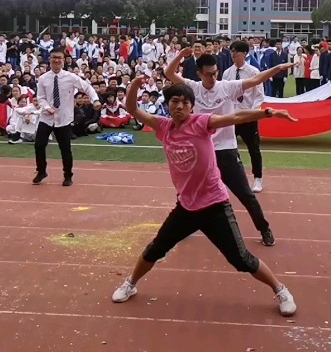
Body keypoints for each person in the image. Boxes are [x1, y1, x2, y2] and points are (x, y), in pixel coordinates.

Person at [111, 76, 297, 316]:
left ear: (192, 106)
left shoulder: (202, 123)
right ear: (168, 105)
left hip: (215, 207)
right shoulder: (164, 127)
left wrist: (268, 113)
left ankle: (281, 290)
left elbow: (236, 117)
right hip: (186, 208)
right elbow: (132, 108)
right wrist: (135, 84)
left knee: (242, 260)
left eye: (185, 102)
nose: (179, 106)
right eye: (174, 102)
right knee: (155, 249)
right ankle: (130, 284)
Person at [166, 47, 292, 246]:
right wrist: (181, 55)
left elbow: (255, 80)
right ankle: (184, 227)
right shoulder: (193, 88)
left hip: (226, 150)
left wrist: (277, 67)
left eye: (215, 72)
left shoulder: (227, 86)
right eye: (208, 74)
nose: (213, 77)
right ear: (199, 74)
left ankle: (264, 228)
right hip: (201, 152)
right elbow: (169, 74)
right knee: (188, 192)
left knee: (245, 194)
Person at [33, 49, 100, 186]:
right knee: (39, 145)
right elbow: (40, 98)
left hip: (63, 118)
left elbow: (87, 88)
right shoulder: (43, 78)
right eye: (53, 58)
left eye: (59, 58)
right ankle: (41, 171)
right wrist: (47, 108)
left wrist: (95, 100)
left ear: (63, 60)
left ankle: (68, 175)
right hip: (47, 117)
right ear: (49, 59)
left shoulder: (71, 77)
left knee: (65, 148)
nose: (56, 60)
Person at [221, 40, 266, 193]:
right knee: (228, 148)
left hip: (248, 115)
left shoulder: (253, 72)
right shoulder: (227, 73)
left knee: (253, 149)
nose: (233, 54)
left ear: (245, 54)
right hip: (232, 116)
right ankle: (232, 178)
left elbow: (259, 95)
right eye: (231, 51)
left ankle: (258, 178)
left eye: (236, 51)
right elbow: (225, 94)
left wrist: (252, 113)